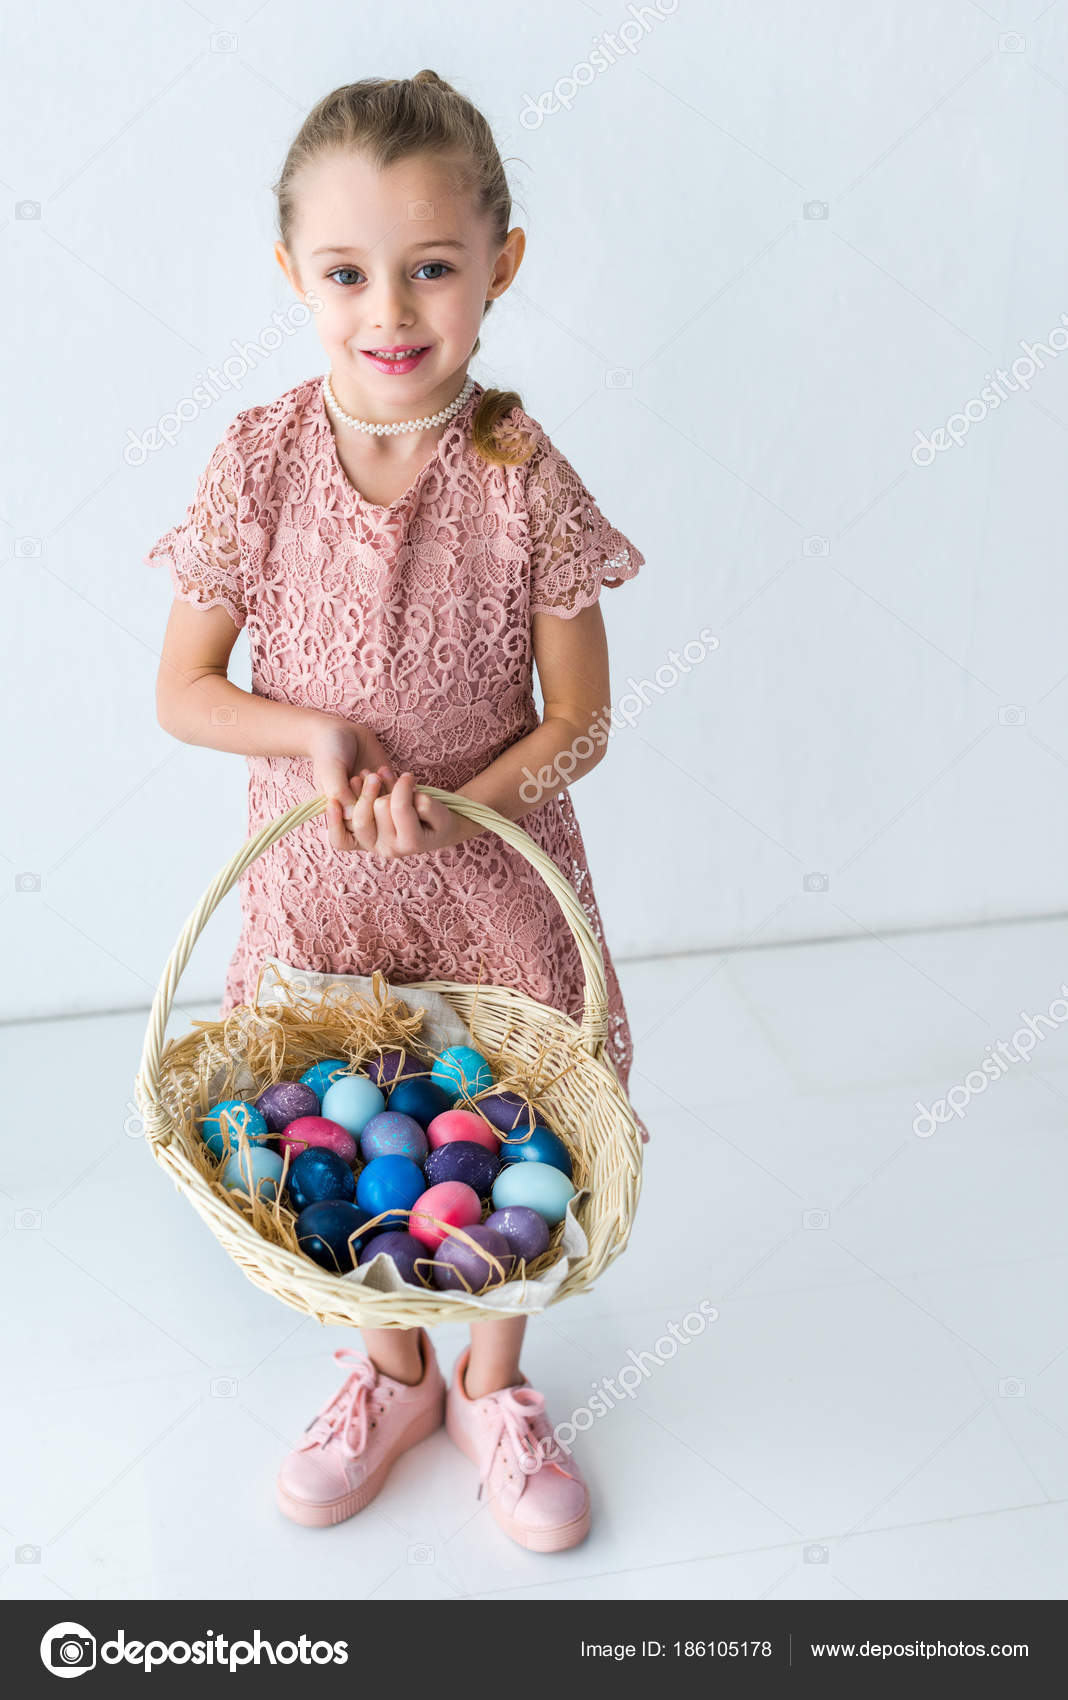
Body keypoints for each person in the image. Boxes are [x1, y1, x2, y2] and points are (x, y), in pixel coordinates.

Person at [147, 71, 647, 1555]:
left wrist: (468, 808)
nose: (394, 303)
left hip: (493, 883)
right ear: (292, 275)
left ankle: (494, 1382)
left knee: (507, 1124)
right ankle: (386, 1372)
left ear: (503, 263)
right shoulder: (256, 461)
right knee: (335, 1120)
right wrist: (317, 735)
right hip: (320, 883)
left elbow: (586, 717)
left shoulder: (524, 474)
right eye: (350, 269)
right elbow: (184, 688)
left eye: (434, 264)